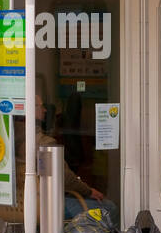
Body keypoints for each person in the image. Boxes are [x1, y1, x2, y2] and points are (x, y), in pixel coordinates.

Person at [31, 87, 119, 225]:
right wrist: (89, 191)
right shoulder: (44, 143)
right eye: (41, 106)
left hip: (17, 205)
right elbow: (64, 178)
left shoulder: (11, 139)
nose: (45, 110)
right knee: (109, 208)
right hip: (45, 204)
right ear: (30, 109)